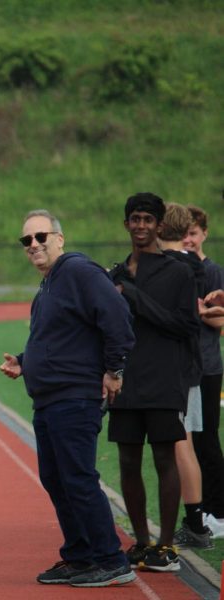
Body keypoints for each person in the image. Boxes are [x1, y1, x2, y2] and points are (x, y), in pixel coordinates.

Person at [0, 209, 136, 587]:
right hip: (49, 399)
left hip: (74, 398)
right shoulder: (50, 285)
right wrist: (25, 363)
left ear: (59, 238)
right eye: (26, 240)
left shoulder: (78, 272)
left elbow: (118, 318)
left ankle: (111, 559)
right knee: (57, 479)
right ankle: (79, 555)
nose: (34, 245)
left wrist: (115, 370)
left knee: (77, 478)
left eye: (40, 236)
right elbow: (63, 339)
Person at [107, 192, 199, 572]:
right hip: (126, 381)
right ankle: (142, 541)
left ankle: (166, 546)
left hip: (163, 380)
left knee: (165, 459)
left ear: (160, 226)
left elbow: (185, 326)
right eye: (135, 218)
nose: (141, 225)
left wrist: (134, 295)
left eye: (148, 219)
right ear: (126, 224)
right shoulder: (113, 273)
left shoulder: (179, 272)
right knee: (128, 460)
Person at [156, 202, 212, 549]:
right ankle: (195, 523)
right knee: (184, 445)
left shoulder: (172, 267)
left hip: (175, 369)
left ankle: (195, 524)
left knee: (180, 446)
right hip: (187, 367)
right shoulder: (191, 266)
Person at [183, 204, 224, 536]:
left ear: (204, 234)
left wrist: (197, 312)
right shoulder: (179, 269)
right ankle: (204, 508)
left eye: (194, 233)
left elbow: (222, 320)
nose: (189, 239)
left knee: (207, 440)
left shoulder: (212, 272)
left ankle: (218, 511)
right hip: (185, 368)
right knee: (190, 442)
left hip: (208, 367)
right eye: (184, 234)